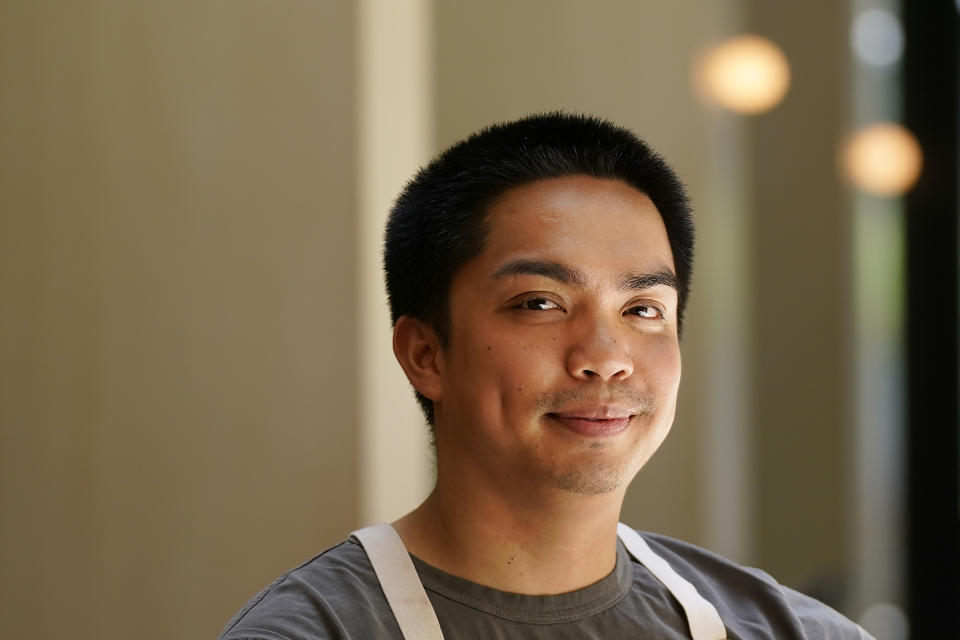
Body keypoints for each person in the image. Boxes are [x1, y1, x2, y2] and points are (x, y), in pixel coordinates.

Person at [219, 113, 871, 639]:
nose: (606, 356)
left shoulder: (785, 628)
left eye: (643, 309)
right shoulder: (315, 629)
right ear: (425, 355)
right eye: (540, 304)